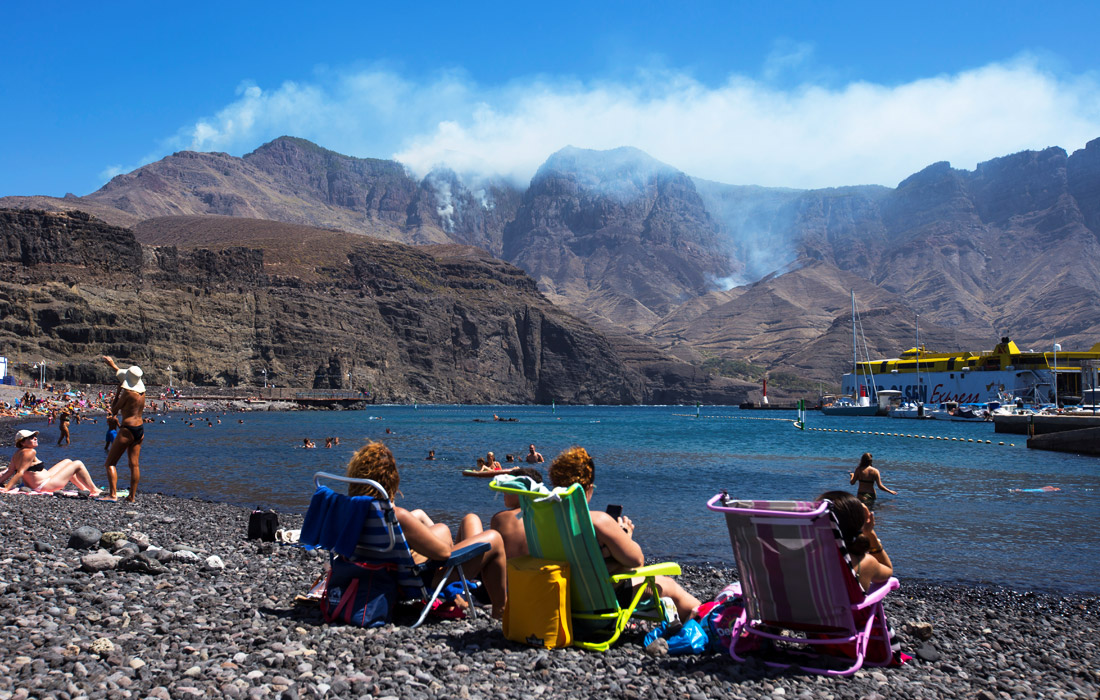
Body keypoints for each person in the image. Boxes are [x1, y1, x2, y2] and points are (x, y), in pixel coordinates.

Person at [345, 441, 507, 618]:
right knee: (494, 538)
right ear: (391, 478)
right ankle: (501, 609)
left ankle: (467, 591)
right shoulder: (397, 515)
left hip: (381, 573)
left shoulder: (351, 511)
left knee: (470, 519)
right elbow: (444, 554)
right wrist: (444, 538)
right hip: (419, 580)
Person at [549, 446, 700, 622]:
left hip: (563, 600)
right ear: (588, 488)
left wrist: (608, 552)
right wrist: (625, 536)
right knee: (668, 586)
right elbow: (637, 561)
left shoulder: (542, 517)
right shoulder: (598, 521)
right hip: (596, 604)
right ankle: (710, 620)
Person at [818, 490, 893, 592]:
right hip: (843, 608)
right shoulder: (863, 562)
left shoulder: (802, 556)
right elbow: (888, 570)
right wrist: (869, 533)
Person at [100, 356, 146, 502]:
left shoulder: (127, 393)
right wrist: (113, 365)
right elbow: (125, 375)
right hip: (139, 429)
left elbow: (114, 410)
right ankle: (131, 496)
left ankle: (113, 495)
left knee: (110, 463)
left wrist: (118, 392)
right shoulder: (142, 393)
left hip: (127, 428)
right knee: (134, 464)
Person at [1, 430, 101, 495]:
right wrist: (7, 489)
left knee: (67, 461)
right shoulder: (30, 452)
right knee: (78, 463)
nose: (35, 438)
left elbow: (10, 471)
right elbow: (20, 472)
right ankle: (94, 489)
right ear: (22, 442)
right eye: (31, 437)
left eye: (35, 436)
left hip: (41, 481)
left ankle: (83, 489)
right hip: (44, 485)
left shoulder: (17, 453)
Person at [489, 467, 543, 558]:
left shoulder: (501, 518)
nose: (503, 491)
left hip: (507, 571)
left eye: (509, 487)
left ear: (519, 490)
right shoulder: (544, 516)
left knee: (470, 518)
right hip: (536, 569)